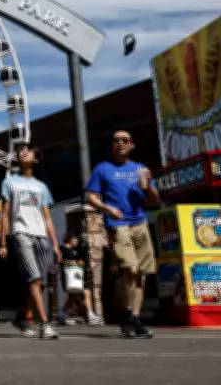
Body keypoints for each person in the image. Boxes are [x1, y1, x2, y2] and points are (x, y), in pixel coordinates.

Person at [86, 129, 159, 339]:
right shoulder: (103, 169)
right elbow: (91, 197)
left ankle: (134, 318)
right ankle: (129, 315)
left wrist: (149, 187)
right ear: (112, 146)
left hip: (140, 223)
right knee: (130, 269)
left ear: (131, 145)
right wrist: (108, 209)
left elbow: (154, 200)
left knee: (141, 274)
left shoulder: (140, 169)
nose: (120, 143)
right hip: (118, 224)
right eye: (116, 140)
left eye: (124, 140)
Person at [0, 143, 61, 339]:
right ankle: (45, 324)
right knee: (34, 278)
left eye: (29, 149)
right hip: (21, 231)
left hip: (41, 235)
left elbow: (48, 217)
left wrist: (55, 244)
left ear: (36, 158)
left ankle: (21, 317)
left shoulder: (41, 186)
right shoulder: (10, 182)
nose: (23, 151)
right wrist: (3, 242)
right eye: (21, 150)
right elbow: (5, 214)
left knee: (40, 283)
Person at [59, 231, 104, 326]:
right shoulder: (62, 248)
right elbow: (59, 260)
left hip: (76, 276)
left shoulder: (75, 251)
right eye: (75, 239)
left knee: (73, 297)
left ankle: (62, 315)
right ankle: (91, 316)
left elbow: (80, 262)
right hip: (68, 276)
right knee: (85, 292)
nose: (76, 242)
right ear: (70, 239)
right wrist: (71, 263)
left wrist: (81, 263)